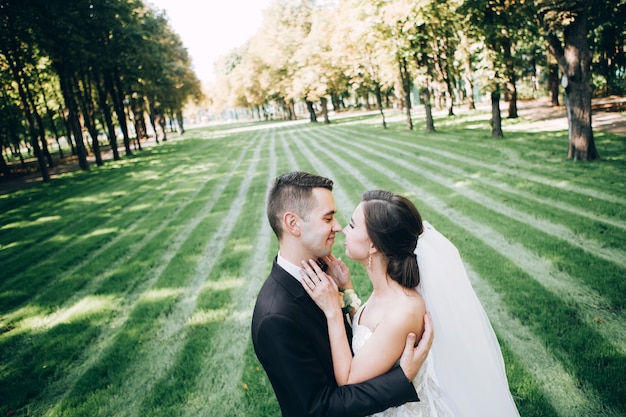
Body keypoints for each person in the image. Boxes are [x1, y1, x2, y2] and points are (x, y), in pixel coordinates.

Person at [301, 190, 520, 417]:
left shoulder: (404, 311)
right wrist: (346, 288)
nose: (343, 230)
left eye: (353, 225)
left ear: (374, 244)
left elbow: (348, 380)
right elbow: (373, 336)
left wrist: (333, 312)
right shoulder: (388, 293)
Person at [251, 172, 434, 417]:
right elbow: (320, 408)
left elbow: (358, 340)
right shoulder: (276, 317)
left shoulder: (325, 275)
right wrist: (401, 378)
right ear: (293, 224)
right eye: (328, 218)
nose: (338, 227)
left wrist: (345, 294)